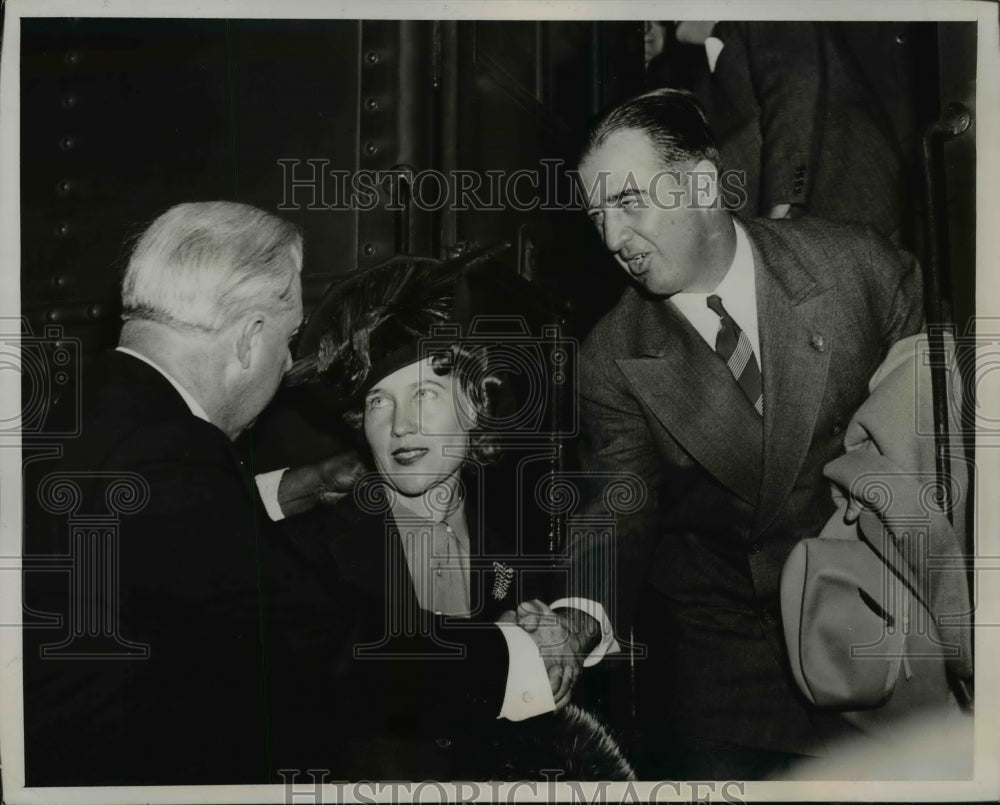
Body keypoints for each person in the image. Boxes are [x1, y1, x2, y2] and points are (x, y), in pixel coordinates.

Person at [567, 88, 924, 779]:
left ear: (703, 184)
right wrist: (577, 612)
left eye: (629, 203)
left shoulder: (858, 270)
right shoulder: (611, 357)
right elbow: (616, 510)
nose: (613, 240)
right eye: (597, 216)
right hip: (735, 669)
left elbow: (942, 439)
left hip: (886, 628)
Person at [21, 201, 367, 785]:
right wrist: (516, 657)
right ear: (250, 337)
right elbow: (313, 638)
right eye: (290, 338)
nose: (287, 361)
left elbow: (155, 546)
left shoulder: (83, 402)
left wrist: (290, 489)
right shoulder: (165, 451)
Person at [285, 255, 626, 780]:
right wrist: (512, 650)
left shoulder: (524, 532)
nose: (400, 426)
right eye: (379, 402)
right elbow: (361, 675)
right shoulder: (313, 546)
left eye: (424, 392)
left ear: (477, 400)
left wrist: (556, 641)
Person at [647, 22, 911, 246]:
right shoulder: (705, 66)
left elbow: (794, 99)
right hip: (820, 225)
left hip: (847, 209)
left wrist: (778, 214)